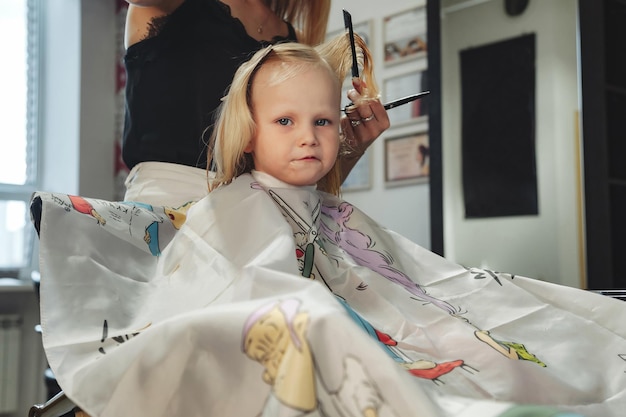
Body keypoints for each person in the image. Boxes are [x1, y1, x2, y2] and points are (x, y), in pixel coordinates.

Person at [31, 36, 625, 417]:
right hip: (321, 316)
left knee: (503, 331)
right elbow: (249, 283)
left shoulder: (319, 202)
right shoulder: (240, 204)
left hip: (399, 314)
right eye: (285, 120)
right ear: (250, 132)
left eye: (321, 120)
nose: (309, 134)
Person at [122, 0, 390, 207]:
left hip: (257, 222)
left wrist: (353, 147)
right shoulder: (170, 7)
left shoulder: (294, 41)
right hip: (163, 210)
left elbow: (306, 188)